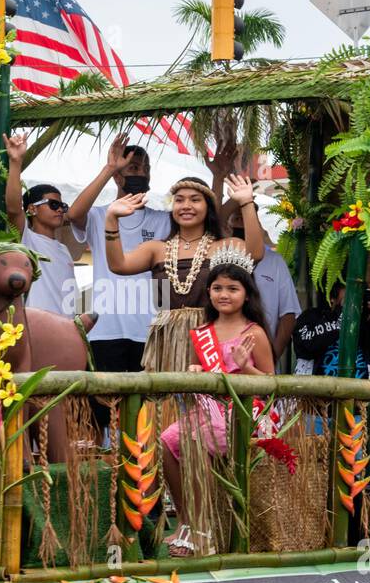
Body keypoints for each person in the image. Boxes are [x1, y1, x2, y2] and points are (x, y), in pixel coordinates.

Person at [159, 255, 275, 557]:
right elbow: (202, 371)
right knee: (167, 439)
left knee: (195, 440)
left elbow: (273, 384)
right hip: (209, 410)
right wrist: (195, 372)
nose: (224, 294)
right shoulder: (202, 332)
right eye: (217, 288)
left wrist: (243, 368)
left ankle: (203, 530)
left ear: (246, 294)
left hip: (247, 412)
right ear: (208, 292)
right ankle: (186, 521)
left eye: (232, 288)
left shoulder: (254, 333)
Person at [104, 174, 263, 374]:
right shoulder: (156, 249)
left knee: (207, 402)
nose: (186, 205)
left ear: (208, 208)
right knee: (168, 403)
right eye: (179, 200)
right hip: (167, 339)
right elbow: (118, 265)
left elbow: (255, 253)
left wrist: (246, 203)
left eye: (195, 200)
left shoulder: (223, 247)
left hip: (210, 336)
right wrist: (111, 219)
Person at [66, 136, 166, 375]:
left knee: (146, 411)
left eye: (146, 168)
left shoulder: (163, 220)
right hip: (104, 331)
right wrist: (109, 167)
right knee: (104, 409)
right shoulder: (99, 215)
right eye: (134, 167)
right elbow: (73, 213)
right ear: (118, 176)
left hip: (150, 331)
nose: (142, 173)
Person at [3, 132, 92, 328]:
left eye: (62, 206)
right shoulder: (26, 239)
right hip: (36, 330)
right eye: (53, 204)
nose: (60, 209)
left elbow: (71, 297)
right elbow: (12, 207)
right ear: (32, 209)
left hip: (66, 332)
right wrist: (15, 162)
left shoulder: (63, 250)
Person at [221, 203, 298, 358]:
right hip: (219, 355)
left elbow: (289, 313)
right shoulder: (217, 256)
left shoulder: (274, 261)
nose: (240, 221)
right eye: (235, 218)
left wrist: (272, 355)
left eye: (245, 217)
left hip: (262, 358)